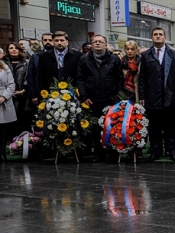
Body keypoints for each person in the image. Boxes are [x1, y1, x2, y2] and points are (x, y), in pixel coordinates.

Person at [138, 27, 175, 162]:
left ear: (165, 37)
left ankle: (172, 151)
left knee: (170, 127)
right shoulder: (146, 55)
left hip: (170, 96)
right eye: (155, 34)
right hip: (152, 97)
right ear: (152, 37)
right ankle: (155, 151)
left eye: (160, 34)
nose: (158, 36)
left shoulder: (174, 54)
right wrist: (142, 96)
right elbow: (142, 78)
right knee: (154, 127)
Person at [77, 34, 124, 162]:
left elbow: (120, 78)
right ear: (92, 45)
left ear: (105, 44)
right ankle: (99, 153)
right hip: (92, 99)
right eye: (95, 42)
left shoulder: (114, 59)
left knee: (112, 126)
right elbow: (80, 79)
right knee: (96, 128)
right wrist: (84, 96)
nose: (98, 44)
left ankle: (112, 152)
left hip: (110, 99)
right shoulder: (84, 59)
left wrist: (118, 96)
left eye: (100, 42)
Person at [35, 31, 82, 99]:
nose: (59, 43)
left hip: (73, 92)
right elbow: (40, 76)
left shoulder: (77, 56)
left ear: (67, 42)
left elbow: (80, 76)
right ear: (53, 42)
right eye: (56, 40)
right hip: (50, 93)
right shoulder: (44, 56)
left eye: (62, 40)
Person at [4, 42, 29, 133]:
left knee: (22, 120)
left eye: (16, 48)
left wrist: (23, 90)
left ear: (20, 50)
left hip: (23, 95)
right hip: (6, 96)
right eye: (11, 48)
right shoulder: (3, 63)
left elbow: (29, 77)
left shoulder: (26, 63)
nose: (14, 50)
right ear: (8, 50)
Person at [0, 58, 17, 161]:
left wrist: (4, 97)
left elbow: (11, 84)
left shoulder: (5, 68)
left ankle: (2, 152)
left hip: (3, 101)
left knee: (3, 129)